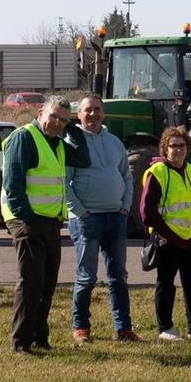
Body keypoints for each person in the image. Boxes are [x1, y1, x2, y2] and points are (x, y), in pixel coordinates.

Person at [0, 100, 87, 350]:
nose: (57, 123)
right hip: (27, 220)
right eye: (54, 117)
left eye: (63, 120)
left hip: (50, 221)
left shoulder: (58, 143)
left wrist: (72, 130)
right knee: (30, 281)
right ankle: (21, 341)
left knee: (47, 282)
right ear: (40, 113)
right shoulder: (24, 138)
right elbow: (13, 183)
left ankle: (39, 337)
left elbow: (83, 158)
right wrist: (25, 217)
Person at [65, 94, 135, 343]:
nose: (92, 114)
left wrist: (125, 207)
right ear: (79, 115)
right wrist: (80, 210)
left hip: (115, 217)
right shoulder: (72, 142)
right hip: (86, 219)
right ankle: (81, 326)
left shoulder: (114, 142)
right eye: (87, 110)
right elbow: (65, 182)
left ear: (103, 113)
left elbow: (126, 176)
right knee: (87, 276)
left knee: (118, 276)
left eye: (96, 109)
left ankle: (124, 329)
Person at [140, 125, 191, 341]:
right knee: (166, 284)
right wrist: (166, 234)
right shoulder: (157, 173)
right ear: (164, 148)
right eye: (173, 146)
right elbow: (147, 212)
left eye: (182, 145)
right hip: (168, 240)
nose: (178, 150)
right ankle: (165, 328)